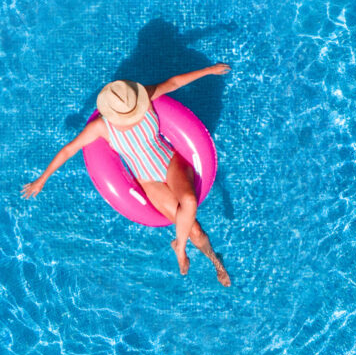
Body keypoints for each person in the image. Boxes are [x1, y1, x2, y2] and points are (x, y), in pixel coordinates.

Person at [22, 64, 233, 287]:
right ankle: (215, 263)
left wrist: (208, 71)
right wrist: (42, 179)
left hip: (171, 163)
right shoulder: (100, 127)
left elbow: (174, 82)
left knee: (189, 201)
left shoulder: (144, 98)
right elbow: (69, 149)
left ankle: (179, 247)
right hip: (149, 180)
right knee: (195, 229)